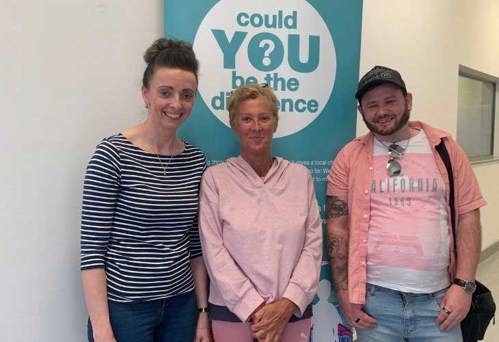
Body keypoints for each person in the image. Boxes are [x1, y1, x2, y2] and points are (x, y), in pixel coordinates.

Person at [326, 65, 486, 341]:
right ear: (361, 111)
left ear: (408, 101)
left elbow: (468, 216)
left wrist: (464, 286)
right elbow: (337, 227)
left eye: (390, 101)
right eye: (371, 105)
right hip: (374, 304)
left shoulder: (444, 148)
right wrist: (344, 292)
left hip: (439, 304)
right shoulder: (349, 157)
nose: (381, 111)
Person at [80, 38, 211, 342]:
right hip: (125, 312)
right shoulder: (111, 155)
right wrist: (102, 330)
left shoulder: (195, 160)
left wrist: (202, 313)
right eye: (166, 92)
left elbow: (195, 245)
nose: (176, 104)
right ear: (145, 93)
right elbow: (92, 252)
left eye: (186, 95)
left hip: (181, 308)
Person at [199, 84, 322, 342]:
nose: (256, 127)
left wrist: (288, 302)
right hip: (233, 313)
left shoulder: (299, 177)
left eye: (264, 118)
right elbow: (214, 251)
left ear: (275, 123)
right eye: (246, 119)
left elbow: (313, 246)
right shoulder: (216, 179)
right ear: (234, 125)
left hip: (292, 311)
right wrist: (254, 307)